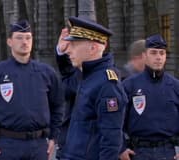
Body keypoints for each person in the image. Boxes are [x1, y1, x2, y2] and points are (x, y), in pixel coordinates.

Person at [0, 20, 64, 160]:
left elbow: (58, 106)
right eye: (19, 38)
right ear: (10, 42)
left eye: (28, 37)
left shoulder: (47, 73)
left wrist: (54, 138)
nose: (24, 42)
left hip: (38, 145)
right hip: (7, 145)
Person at [58, 16, 127, 160]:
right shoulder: (87, 75)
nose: (68, 50)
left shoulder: (107, 83)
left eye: (74, 44)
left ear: (93, 48)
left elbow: (111, 139)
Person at [119, 34, 179, 160]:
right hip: (138, 152)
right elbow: (116, 120)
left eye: (162, 53)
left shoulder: (175, 86)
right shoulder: (129, 85)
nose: (158, 57)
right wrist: (121, 148)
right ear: (145, 56)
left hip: (168, 152)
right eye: (153, 53)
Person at [54, 28, 81, 159]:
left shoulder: (105, 76)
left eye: (74, 45)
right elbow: (68, 73)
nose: (69, 50)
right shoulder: (76, 74)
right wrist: (61, 52)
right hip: (68, 143)